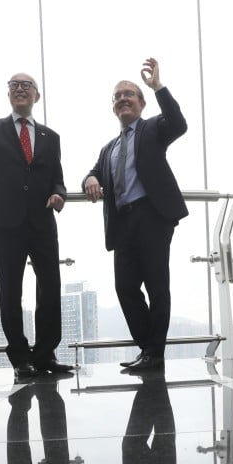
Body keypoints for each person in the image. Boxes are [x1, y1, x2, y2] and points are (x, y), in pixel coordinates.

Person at [0, 74, 73, 380]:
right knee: (10, 290)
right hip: (6, 222)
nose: (20, 89)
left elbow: (56, 177)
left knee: (50, 287)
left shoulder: (51, 137)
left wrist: (59, 193)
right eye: (14, 85)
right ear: (8, 95)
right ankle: (21, 358)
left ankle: (46, 354)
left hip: (43, 221)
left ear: (37, 95)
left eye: (26, 85)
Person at [82, 58, 188, 373]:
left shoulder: (153, 128)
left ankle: (155, 353)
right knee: (125, 287)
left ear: (141, 104)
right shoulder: (109, 148)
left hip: (152, 216)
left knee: (157, 286)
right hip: (122, 222)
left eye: (129, 94)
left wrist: (158, 87)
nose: (123, 98)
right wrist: (90, 178)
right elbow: (95, 171)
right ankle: (148, 349)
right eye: (118, 96)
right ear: (113, 107)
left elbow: (179, 124)